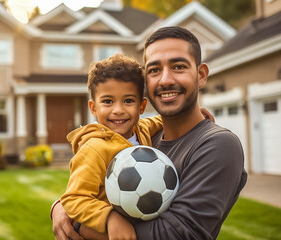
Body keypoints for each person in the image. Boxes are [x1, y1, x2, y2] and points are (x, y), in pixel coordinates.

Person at [52, 26, 247, 240]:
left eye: (179, 66)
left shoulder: (217, 145)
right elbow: (79, 192)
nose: (165, 80)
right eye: (154, 70)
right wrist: (60, 206)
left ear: (200, 75)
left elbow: (175, 236)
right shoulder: (144, 138)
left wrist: (79, 225)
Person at [59, 53, 163, 239]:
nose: (118, 110)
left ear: (141, 106)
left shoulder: (141, 130)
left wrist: (193, 115)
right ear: (93, 108)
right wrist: (109, 217)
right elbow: (74, 199)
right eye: (108, 101)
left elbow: (157, 121)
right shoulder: (95, 149)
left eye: (128, 101)